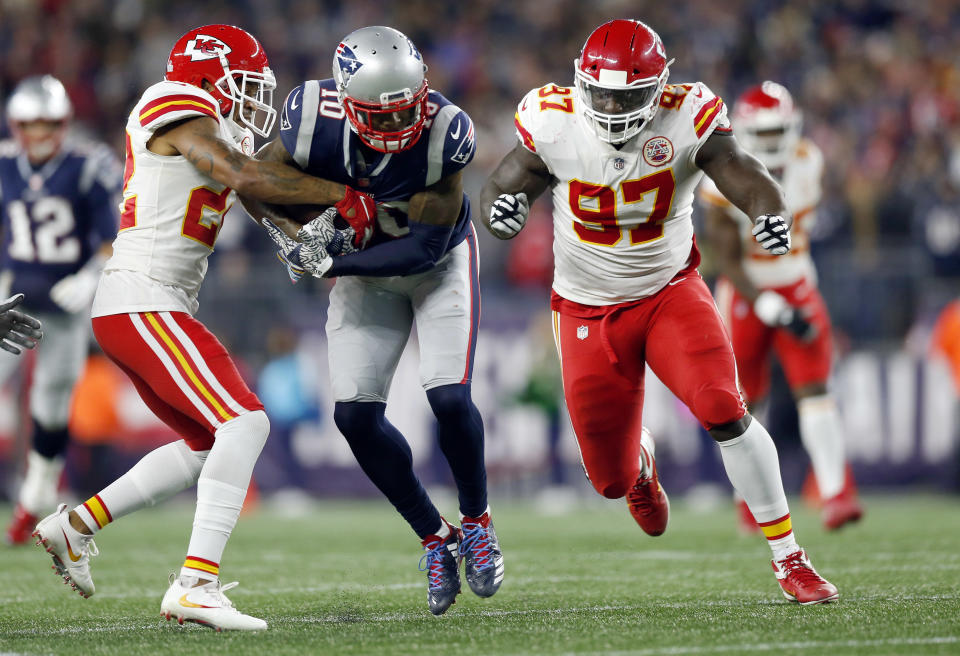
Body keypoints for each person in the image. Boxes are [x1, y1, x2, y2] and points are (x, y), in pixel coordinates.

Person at [480, 19, 838, 605]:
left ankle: (789, 556)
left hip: (669, 291)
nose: (613, 106)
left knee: (725, 408)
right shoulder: (553, 118)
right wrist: (505, 208)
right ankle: (641, 463)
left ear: (658, 86)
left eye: (628, 95)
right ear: (581, 84)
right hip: (586, 308)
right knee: (609, 479)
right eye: (602, 93)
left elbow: (738, 167)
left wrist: (766, 209)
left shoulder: (687, 112)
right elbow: (504, 180)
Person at [31, 24, 375, 631]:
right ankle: (195, 584)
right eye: (244, 84)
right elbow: (240, 174)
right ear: (208, 76)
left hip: (145, 306)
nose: (254, 98)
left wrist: (310, 239)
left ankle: (75, 526)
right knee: (245, 422)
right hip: (142, 300)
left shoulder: (217, 131)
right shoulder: (175, 104)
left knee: (207, 445)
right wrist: (345, 195)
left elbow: (257, 199)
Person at [252, 26, 502, 616]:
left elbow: (422, 247)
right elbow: (249, 178)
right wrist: (293, 233)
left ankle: (476, 521)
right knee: (355, 418)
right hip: (365, 272)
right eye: (378, 117)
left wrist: (328, 259)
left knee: (449, 397)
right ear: (346, 100)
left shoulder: (446, 133)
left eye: (404, 112)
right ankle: (435, 538)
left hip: (436, 264)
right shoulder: (312, 118)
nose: (395, 128)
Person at [698, 81, 864, 532]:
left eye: (778, 132)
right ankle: (749, 501)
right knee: (744, 404)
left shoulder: (809, 161)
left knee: (815, 391)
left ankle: (835, 495)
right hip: (748, 296)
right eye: (763, 134)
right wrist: (772, 309)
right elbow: (728, 262)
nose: (772, 143)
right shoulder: (720, 178)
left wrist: (788, 303)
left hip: (797, 284)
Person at [0, 75, 120, 545]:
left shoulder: (87, 165)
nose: (40, 133)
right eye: (30, 124)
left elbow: (112, 238)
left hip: (66, 306)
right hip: (11, 305)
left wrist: (88, 276)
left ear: (64, 122)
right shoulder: (5, 165)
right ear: (16, 125)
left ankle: (35, 495)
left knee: (51, 404)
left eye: (48, 122)